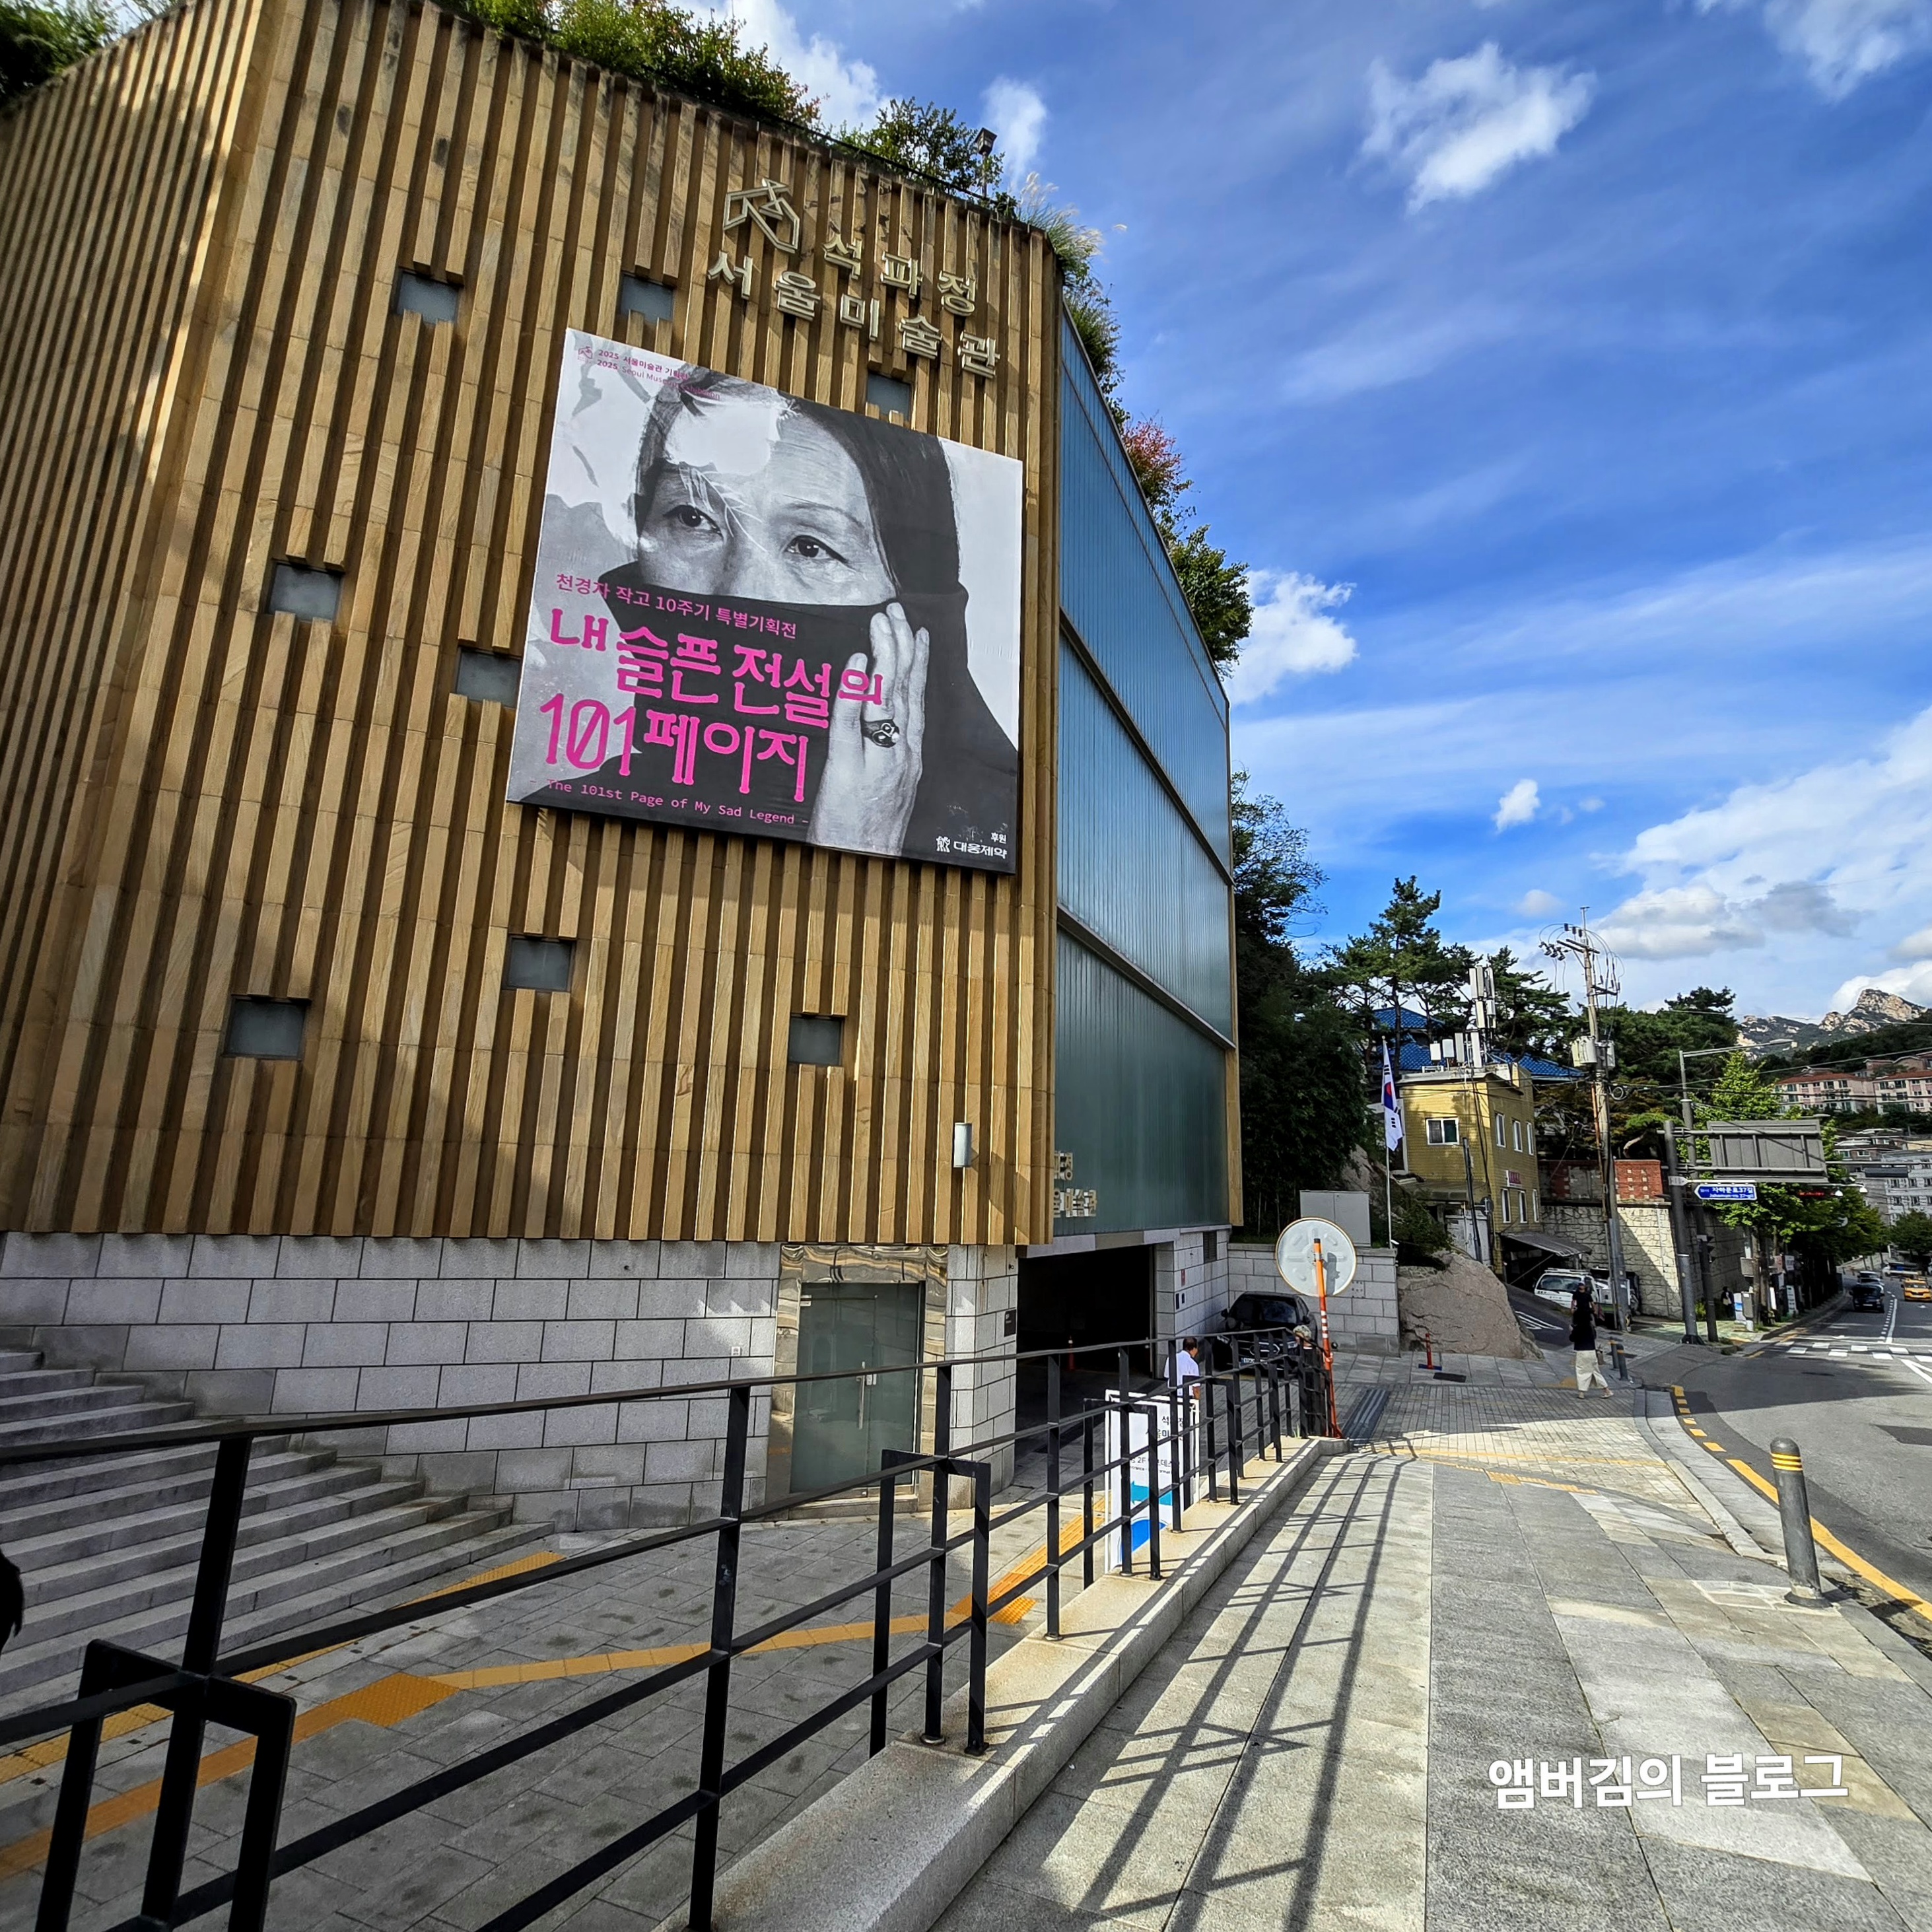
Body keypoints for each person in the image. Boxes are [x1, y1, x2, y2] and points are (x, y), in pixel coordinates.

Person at [590, 367, 1018, 860]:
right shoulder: (579, 820)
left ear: (917, 606)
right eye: (693, 518)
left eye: (811, 547)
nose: (739, 593)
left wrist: (859, 848)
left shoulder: (1000, 834)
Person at [1571, 1287, 1610, 1397]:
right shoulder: (1590, 1327)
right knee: (1594, 1371)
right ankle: (1607, 1390)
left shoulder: (1578, 1327)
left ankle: (1582, 1392)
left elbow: (1572, 1338)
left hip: (1582, 1351)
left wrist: (1572, 1331)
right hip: (1592, 1351)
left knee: (1582, 1371)